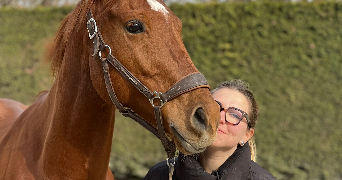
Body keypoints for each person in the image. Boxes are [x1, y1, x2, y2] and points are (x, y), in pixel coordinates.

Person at [144, 79, 276, 180]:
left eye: (235, 115)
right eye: (215, 107)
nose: (220, 117)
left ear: (247, 135)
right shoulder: (160, 174)